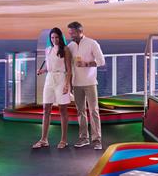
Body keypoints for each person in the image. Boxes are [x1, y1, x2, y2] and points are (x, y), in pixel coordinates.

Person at [66, 21, 106, 150]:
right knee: (80, 111)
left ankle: (97, 140)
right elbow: (69, 67)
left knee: (94, 111)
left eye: (73, 33)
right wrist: (69, 84)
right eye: (69, 33)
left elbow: (101, 61)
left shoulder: (92, 43)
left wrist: (87, 64)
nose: (71, 35)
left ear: (80, 31)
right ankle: (83, 138)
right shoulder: (70, 46)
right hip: (76, 83)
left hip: (90, 83)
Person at [33, 27, 74, 149]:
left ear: (60, 38)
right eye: (52, 37)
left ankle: (64, 140)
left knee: (63, 109)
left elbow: (69, 70)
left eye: (56, 37)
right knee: (46, 108)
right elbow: (49, 67)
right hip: (49, 79)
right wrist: (42, 70)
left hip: (61, 78)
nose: (54, 39)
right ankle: (44, 139)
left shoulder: (65, 50)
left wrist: (67, 84)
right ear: (49, 38)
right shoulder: (48, 50)